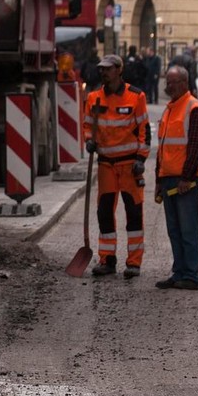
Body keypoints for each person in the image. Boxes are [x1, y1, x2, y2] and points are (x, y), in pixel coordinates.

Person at [82, 54, 150, 279]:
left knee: (133, 213)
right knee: (105, 213)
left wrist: (141, 158)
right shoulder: (94, 98)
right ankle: (107, 260)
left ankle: (134, 263)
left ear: (119, 70)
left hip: (129, 165)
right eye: (102, 69)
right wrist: (88, 140)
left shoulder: (136, 96)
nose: (104, 72)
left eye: (109, 69)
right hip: (106, 165)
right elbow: (87, 125)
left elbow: (144, 130)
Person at [154, 66, 198, 291]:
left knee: (187, 229)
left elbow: (196, 146)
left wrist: (186, 177)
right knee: (174, 230)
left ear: (185, 83)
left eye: (173, 82)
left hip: (185, 180)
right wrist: (158, 179)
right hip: (169, 178)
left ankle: (190, 276)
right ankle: (179, 273)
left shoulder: (193, 108)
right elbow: (163, 148)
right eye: (167, 81)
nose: (168, 86)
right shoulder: (170, 109)